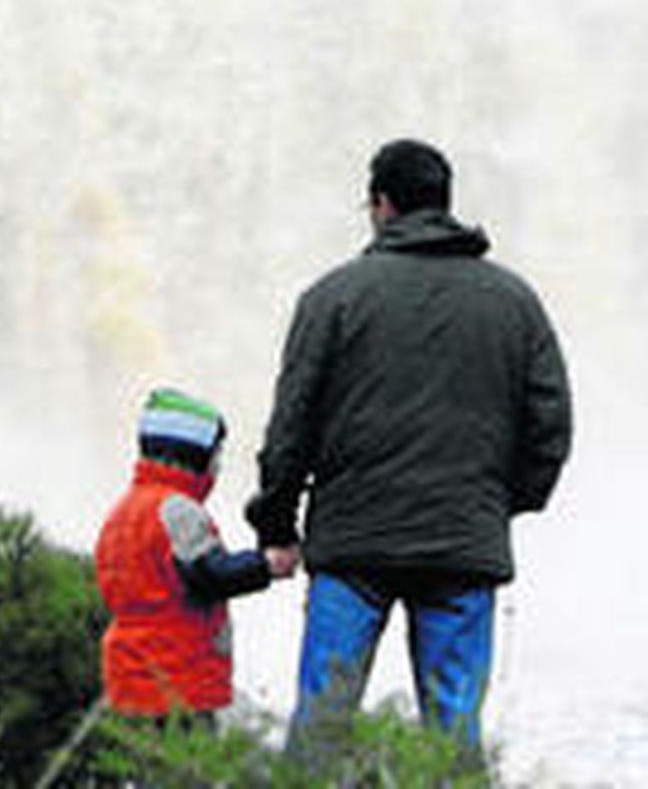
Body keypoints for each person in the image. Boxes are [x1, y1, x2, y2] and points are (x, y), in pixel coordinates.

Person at [246, 138, 573, 754]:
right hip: (462, 545)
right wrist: (499, 502)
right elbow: (550, 425)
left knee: (322, 723)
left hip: (352, 546)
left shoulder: (332, 298)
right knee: (453, 735)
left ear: (383, 204)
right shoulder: (514, 301)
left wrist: (276, 524)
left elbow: (291, 426)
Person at [96, 387, 295, 724]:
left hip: (128, 676)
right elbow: (209, 575)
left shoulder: (124, 511)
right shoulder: (177, 510)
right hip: (177, 677)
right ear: (194, 457)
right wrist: (267, 564)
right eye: (216, 456)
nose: (218, 469)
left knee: (142, 771)